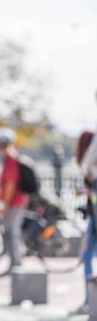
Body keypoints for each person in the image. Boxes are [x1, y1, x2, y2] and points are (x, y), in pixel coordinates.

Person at [0, 127, 29, 277]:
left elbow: (10, 183)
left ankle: (16, 264)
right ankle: (13, 262)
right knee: (9, 231)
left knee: (12, 232)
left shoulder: (11, 158)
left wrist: (5, 204)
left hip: (15, 202)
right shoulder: (10, 158)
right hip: (14, 201)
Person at [72, 128, 97, 315]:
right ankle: (89, 301)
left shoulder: (91, 166)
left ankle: (90, 301)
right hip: (92, 216)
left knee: (87, 255)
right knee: (87, 254)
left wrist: (87, 191)